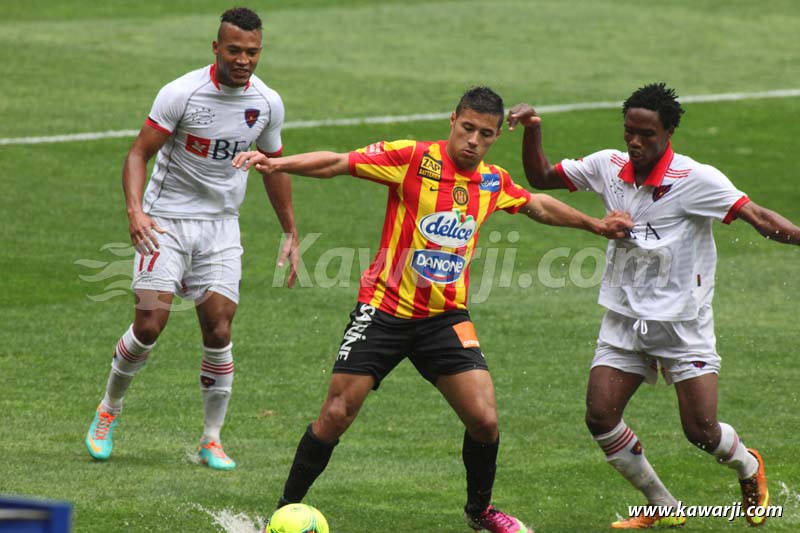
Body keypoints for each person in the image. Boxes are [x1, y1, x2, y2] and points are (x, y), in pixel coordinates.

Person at [233, 86, 633, 532]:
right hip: (383, 309)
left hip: (444, 318)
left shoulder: (492, 181)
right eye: (467, 129)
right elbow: (339, 162)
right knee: (336, 414)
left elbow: (536, 204)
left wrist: (595, 224)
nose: (473, 141)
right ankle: (283, 512)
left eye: (485, 134)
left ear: (496, 135)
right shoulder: (411, 158)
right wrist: (275, 162)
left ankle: (480, 513)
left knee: (484, 419)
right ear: (452, 121)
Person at [508, 82, 800, 528]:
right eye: (629, 132)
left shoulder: (695, 179)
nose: (635, 142)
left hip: (683, 322)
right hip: (626, 317)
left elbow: (757, 217)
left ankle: (748, 466)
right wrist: (533, 129)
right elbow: (542, 177)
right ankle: (663, 503)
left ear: (668, 133)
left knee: (700, 432)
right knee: (600, 415)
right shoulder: (609, 165)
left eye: (646, 134)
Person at [85, 7, 299, 471]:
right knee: (148, 326)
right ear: (216, 48)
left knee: (219, 330)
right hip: (165, 222)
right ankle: (108, 410)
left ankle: (211, 439)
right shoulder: (182, 93)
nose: (244, 60)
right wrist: (135, 211)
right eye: (236, 50)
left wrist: (290, 230)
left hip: (221, 227)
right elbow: (138, 154)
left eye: (253, 52)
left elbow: (274, 165)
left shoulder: (266, 103)